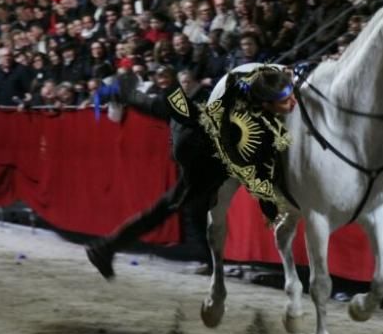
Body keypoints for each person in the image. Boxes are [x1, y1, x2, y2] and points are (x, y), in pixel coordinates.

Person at [85, 64, 297, 280]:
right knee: (169, 207)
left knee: (183, 207)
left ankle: (106, 248)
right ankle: (105, 248)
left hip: (199, 137)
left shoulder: (235, 97)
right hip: (201, 152)